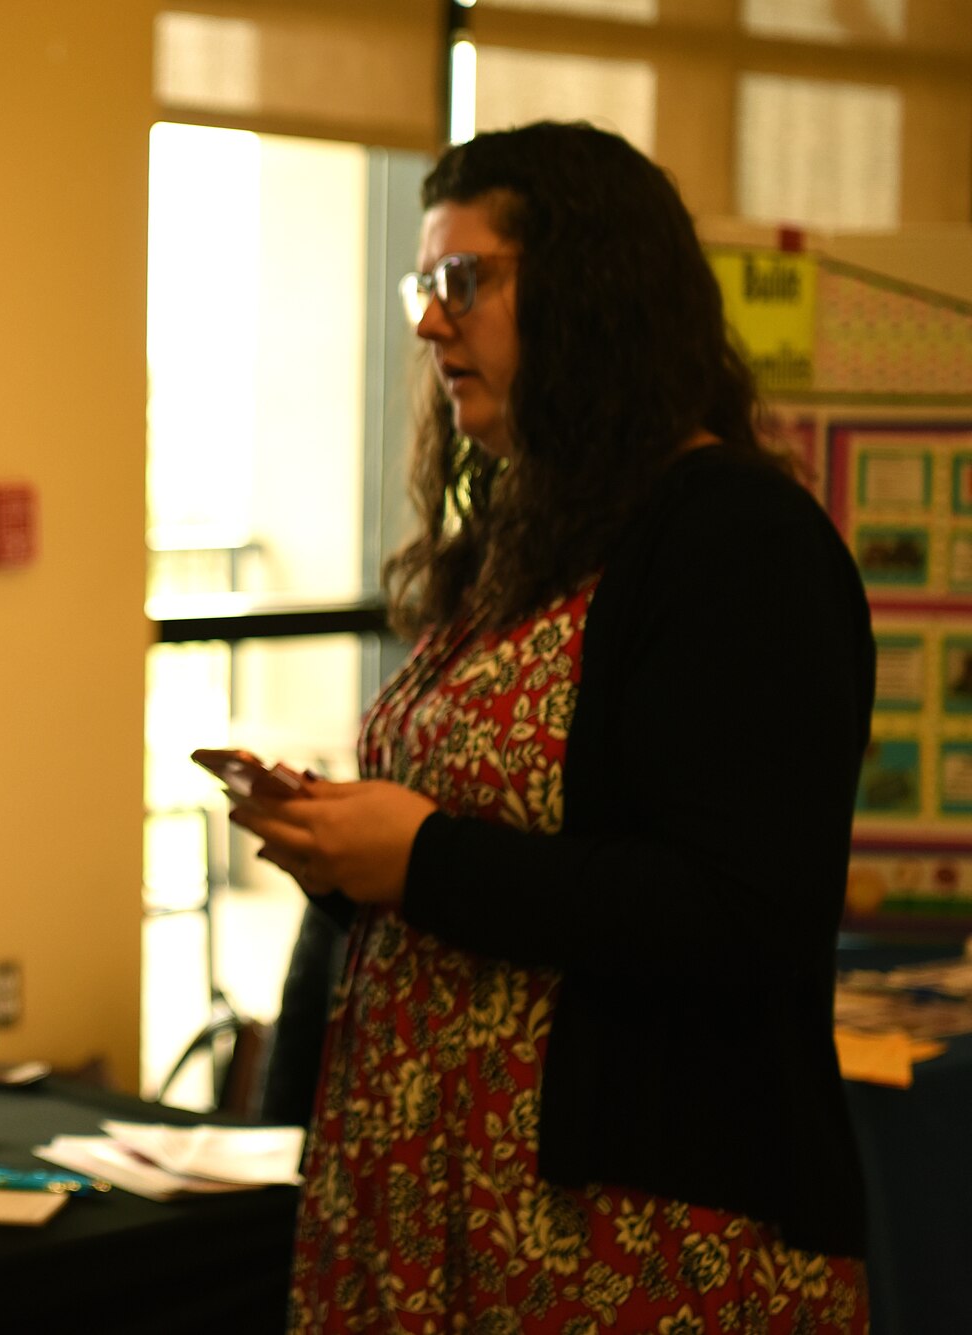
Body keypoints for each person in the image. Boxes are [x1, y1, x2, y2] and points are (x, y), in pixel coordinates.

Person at [230, 122, 873, 1330]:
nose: (428, 322)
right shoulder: (530, 535)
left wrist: (420, 861)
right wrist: (344, 847)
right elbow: (502, 839)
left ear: (590, 292)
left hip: (620, 1236)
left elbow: (743, 911)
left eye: (461, 282)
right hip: (435, 1198)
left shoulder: (738, 543)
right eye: (422, 284)